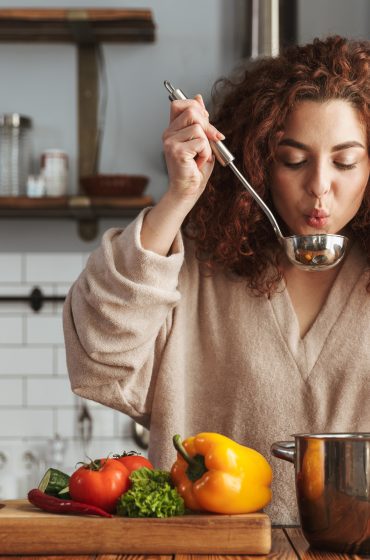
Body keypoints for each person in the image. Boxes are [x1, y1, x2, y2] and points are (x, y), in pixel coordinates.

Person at [63, 35, 370, 524]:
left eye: (345, 162)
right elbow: (98, 357)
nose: (319, 185)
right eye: (294, 159)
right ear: (259, 162)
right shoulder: (198, 272)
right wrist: (179, 198)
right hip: (206, 552)